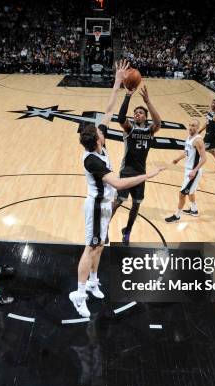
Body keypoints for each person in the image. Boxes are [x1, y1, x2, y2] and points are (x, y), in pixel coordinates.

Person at [69, 60, 166, 317]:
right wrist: (149, 174)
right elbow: (120, 183)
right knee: (90, 248)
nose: (104, 128)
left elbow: (109, 110)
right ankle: (78, 294)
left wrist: (117, 81)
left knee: (100, 246)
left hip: (104, 208)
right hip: (96, 206)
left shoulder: (96, 143)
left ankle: (92, 281)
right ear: (97, 139)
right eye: (101, 130)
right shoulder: (92, 159)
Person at [111, 84, 162, 245]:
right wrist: (127, 96)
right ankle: (103, 227)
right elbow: (120, 118)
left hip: (141, 174)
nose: (137, 114)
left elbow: (158, 123)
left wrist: (148, 102)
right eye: (135, 113)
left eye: (140, 113)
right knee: (118, 202)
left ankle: (127, 231)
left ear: (145, 117)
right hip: (126, 172)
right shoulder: (129, 129)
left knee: (136, 205)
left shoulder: (150, 130)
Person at [165, 119, 207, 222]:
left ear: (198, 128)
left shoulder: (198, 140)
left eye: (194, 125)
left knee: (182, 193)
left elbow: (204, 158)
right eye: (190, 125)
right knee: (191, 192)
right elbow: (187, 152)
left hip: (193, 172)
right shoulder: (189, 138)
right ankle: (194, 210)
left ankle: (177, 215)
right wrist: (177, 159)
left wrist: (194, 170)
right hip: (188, 170)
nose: (191, 127)